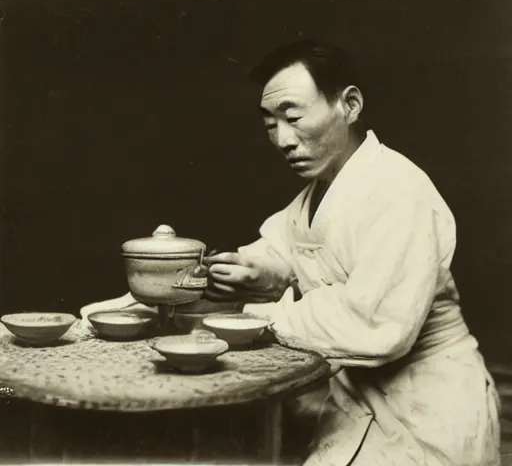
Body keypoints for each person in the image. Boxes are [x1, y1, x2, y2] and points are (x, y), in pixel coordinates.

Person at [81, 40, 501, 465]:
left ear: (349, 104)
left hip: (428, 405)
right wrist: (125, 307)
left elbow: (377, 326)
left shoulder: (399, 191)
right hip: (353, 397)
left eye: (293, 116)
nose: (282, 139)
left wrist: (259, 308)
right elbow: (267, 257)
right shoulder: (311, 200)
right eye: (269, 124)